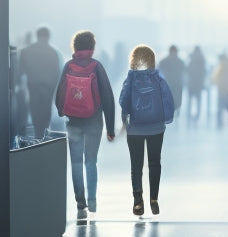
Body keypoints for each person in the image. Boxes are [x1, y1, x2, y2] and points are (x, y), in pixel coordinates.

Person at [54, 30, 116, 221]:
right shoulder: (96, 67)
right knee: (90, 161)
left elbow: (59, 95)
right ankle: (93, 200)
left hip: (73, 122)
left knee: (75, 162)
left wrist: (62, 111)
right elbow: (108, 98)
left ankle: (80, 202)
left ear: (75, 47)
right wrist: (111, 128)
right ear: (92, 47)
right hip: (94, 122)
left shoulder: (68, 66)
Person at [119, 45, 175, 217]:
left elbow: (123, 100)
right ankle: (154, 199)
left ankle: (137, 201)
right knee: (154, 163)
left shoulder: (130, 77)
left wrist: (125, 119)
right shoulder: (158, 77)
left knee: (136, 166)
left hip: (135, 128)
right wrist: (166, 118)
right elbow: (168, 99)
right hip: (156, 127)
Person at [18, 26, 61, 138]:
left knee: (35, 116)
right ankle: (43, 140)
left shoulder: (26, 51)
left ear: (37, 36)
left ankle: (38, 138)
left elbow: (20, 72)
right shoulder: (53, 53)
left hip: (33, 88)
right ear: (48, 37)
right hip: (48, 89)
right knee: (45, 117)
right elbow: (57, 73)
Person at [211, 52, 228, 128]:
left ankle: (219, 123)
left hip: (222, 89)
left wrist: (216, 82)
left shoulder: (222, 65)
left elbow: (216, 77)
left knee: (220, 108)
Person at [158, 45, 186, 119]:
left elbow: (158, 71)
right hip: (175, 84)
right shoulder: (180, 62)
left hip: (171, 84)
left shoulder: (164, 61)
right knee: (176, 101)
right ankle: (175, 114)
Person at [187, 45, 207, 122]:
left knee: (190, 101)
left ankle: (189, 116)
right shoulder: (202, 59)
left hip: (191, 83)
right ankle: (197, 116)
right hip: (199, 83)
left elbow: (187, 71)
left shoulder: (191, 59)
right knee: (199, 101)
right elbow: (204, 72)